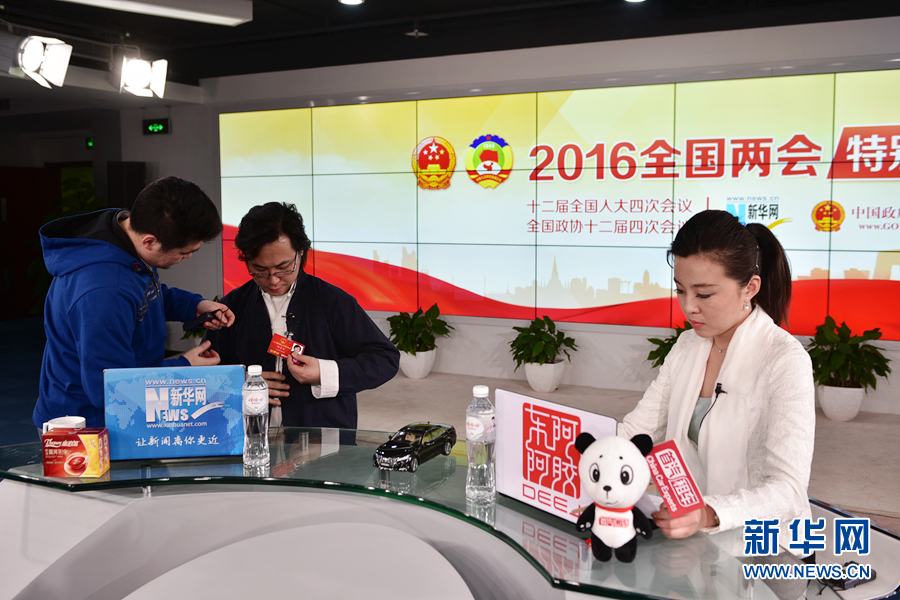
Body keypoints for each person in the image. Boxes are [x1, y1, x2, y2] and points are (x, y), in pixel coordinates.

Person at [618, 210, 815, 545]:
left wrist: (709, 513)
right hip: (691, 539)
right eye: (681, 290)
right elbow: (637, 432)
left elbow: (788, 490)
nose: (688, 307)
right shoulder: (687, 346)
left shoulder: (784, 360)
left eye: (704, 294)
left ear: (750, 288)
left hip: (765, 548)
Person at [33, 176, 235, 430]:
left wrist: (194, 305)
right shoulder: (104, 292)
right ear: (149, 241)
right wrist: (184, 366)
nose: (188, 257)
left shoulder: (120, 238)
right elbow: (110, 388)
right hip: (89, 426)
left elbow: (142, 295)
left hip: (120, 407)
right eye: (184, 253)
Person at [204, 202, 399, 429]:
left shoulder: (333, 301)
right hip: (248, 434)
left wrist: (324, 373)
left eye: (284, 267)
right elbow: (207, 371)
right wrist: (239, 382)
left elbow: (385, 359)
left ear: (301, 252)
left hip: (321, 437)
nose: (273, 280)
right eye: (260, 270)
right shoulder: (232, 306)